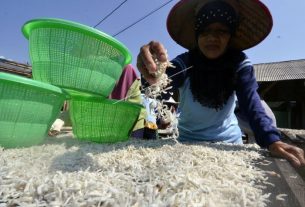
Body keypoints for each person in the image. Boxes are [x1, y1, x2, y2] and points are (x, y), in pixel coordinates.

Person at [136, 0, 305, 167]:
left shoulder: (238, 63)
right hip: (186, 144)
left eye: (221, 31)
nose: (212, 38)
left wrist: (271, 140)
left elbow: (251, 102)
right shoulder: (186, 61)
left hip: (229, 145)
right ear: (197, 34)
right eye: (205, 31)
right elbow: (160, 84)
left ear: (230, 35)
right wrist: (152, 72)